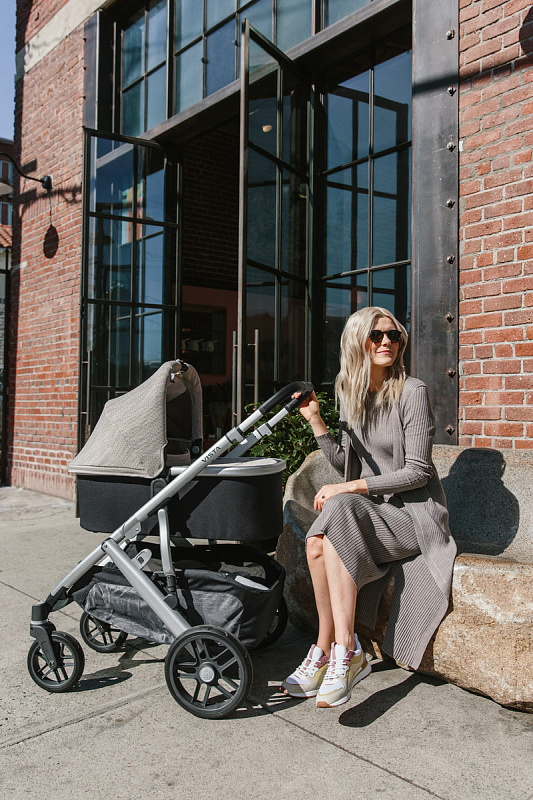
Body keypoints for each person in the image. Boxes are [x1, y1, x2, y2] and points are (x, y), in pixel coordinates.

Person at [281, 306, 456, 708]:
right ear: (357, 342)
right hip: (374, 513)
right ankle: (325, 648)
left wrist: (350, 488)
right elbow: (348, 463)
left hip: (415, 515)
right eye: (376, 336)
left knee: (340, 509)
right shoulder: (351, 394)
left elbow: (417, 472)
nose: (386, 342)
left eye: (393, 336)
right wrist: (316, 421)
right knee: (316, 542)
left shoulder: (412, 392)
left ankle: (345, 649)